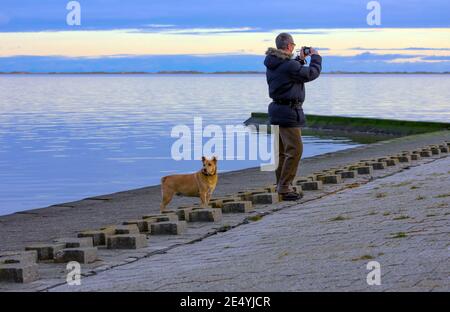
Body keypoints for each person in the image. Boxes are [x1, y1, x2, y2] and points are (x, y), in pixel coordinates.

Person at [264, 32, 322, 201]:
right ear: (289, 46)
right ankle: (284, 187)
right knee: (295, 150)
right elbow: (311, 73)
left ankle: (280, 184)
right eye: (293, 46)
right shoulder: (288, 65)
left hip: (277, 111)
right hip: (289, 113)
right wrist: (316, 57)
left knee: (282, 152)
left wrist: (300, 59)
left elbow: (291, 71)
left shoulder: (273, 63)